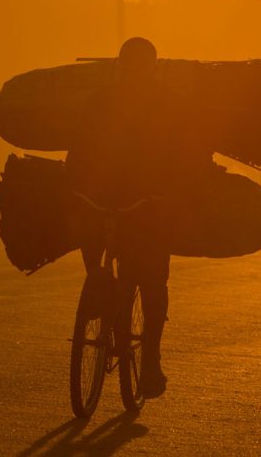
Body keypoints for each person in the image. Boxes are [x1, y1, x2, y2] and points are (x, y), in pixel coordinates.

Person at [65, 37, 217, 399]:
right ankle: (99, 286)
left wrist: (172, 193)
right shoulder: (103, 102)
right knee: (94, 239)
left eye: (138, 67)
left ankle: (149, 356)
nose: (133, 73)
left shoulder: (167, 106)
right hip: (108, 198)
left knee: (151, 281)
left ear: (150, 69)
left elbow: (187, 155)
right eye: (129, 67)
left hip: (149, 204)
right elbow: (80, 148)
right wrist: (74, 186)